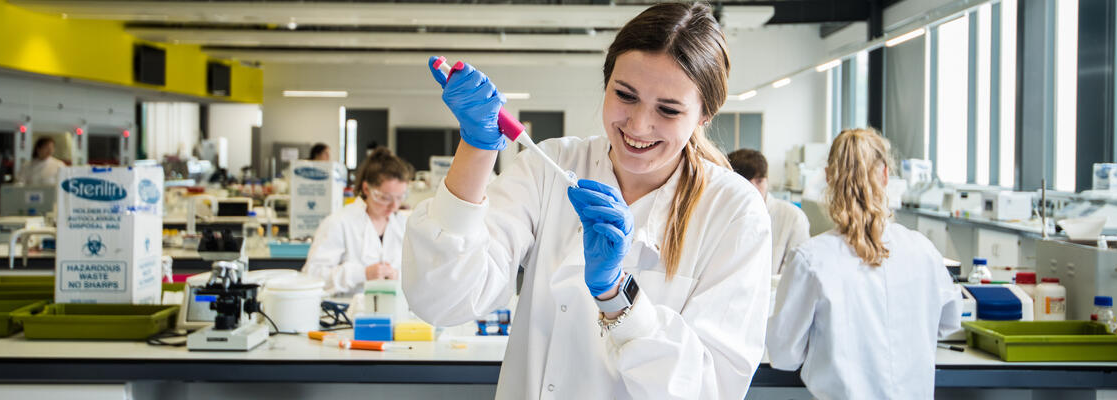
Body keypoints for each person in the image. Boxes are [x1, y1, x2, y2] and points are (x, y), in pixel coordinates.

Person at [403, 3, 773, 399]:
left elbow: (708, 388)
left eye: (667, 109)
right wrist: (476, 147)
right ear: (606, 82)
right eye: (625, 95)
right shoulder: (551, 167)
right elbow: (444, 301)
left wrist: (617, 296)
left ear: (704, 115)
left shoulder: (733, 212)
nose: (638, 125)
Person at [764, 128, 962, 399]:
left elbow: (784, 354)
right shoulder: (923, 250)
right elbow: (949, 323)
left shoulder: (811, 259)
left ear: (828, 178)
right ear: (885, 176)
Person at [302, 148, 413, 296]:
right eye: (385, 197)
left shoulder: (402, 224)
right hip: (347, 313)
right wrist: (362, 274)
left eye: (399, 198)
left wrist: (397, 276)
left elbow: (418, 275)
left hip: (397, 312)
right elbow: (312, 276)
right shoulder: (339, 222)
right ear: (366, 188)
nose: (394, 206)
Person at [728, 149, 810, 275]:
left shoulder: (793, 218)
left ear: (767, 180)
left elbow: (797, 274)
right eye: (746, 181)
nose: (754, 188)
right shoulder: (725, 217)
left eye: (759, 181)